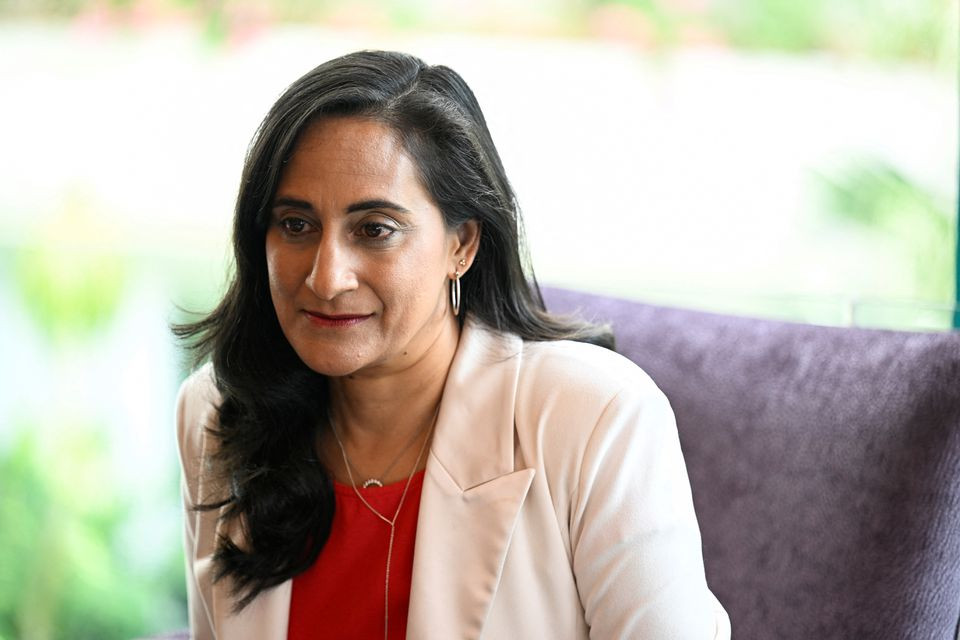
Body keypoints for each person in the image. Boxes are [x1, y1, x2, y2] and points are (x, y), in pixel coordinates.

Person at [174, 50, 730, 640]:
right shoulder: (217, 412)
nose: (326, 277)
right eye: (296, 225)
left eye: (375, 230)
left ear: (461, 245)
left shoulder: (596, 415)